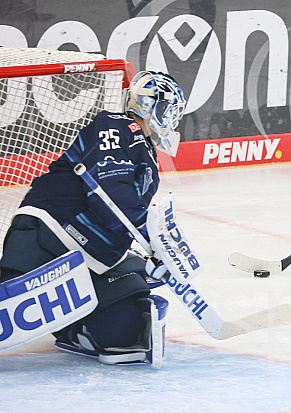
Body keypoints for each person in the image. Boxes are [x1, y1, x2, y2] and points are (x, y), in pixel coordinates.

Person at [0, 71, 186, 366]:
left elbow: (121, 213)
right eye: (171, 109)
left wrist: (156, 250)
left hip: (91, 253)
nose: (173, 118)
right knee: (10, 297)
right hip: (49, 234)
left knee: (128, 332)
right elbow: (112, 190)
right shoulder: (116, 125)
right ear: (156, 106)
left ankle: (74, 328)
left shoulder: (145, 149)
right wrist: (153, 240)